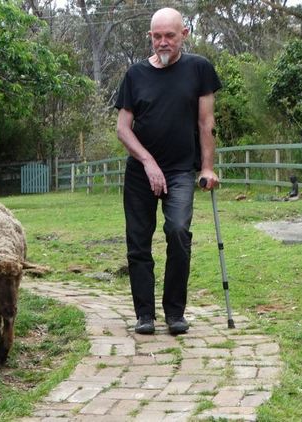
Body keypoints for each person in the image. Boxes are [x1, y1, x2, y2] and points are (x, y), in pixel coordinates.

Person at [115, 7, 221, 335]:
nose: (163, 42)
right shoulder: (135, 75)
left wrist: (207, 167)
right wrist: (147, 162)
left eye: (170, 36)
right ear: (150, 36)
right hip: (139, 174)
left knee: (178, 231)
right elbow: (122, 128)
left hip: (179, 170)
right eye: (157, 36)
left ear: (184, 35)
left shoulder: (199, 69)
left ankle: (175, 313)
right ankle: (144, 315)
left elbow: (206, 122)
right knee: (138, 242)